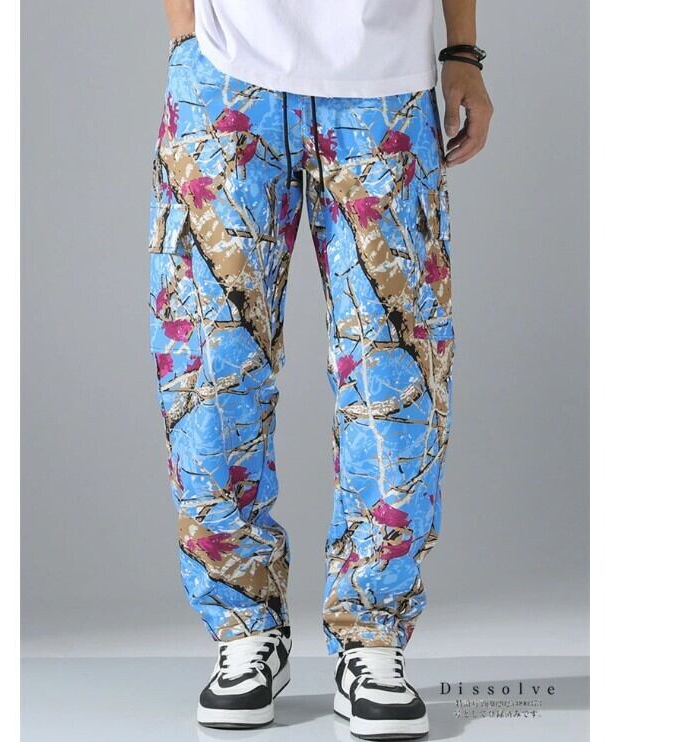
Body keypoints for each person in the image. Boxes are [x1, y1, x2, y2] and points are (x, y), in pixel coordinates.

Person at [150, 1, 492, 738]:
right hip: (224, 71)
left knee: (395, 371)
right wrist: (184, 36)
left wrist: (462, 52)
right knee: (209, 369)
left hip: (385, 80)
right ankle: (244, 629)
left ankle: (371, 638)